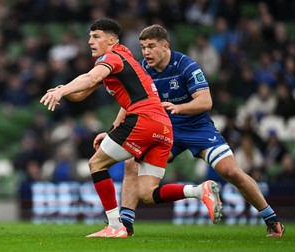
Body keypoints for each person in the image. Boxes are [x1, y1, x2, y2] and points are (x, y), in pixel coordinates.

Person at [40, 18, 222, 238]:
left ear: (111, 40)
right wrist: (65, 89)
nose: (90, 41)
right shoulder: (122, 57)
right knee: (147, 192)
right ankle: (199, 190)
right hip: (163, 127)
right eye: (89, 36)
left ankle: (116, 226)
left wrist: (60, 92)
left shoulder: (112, 57)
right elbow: (81, 93)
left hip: (143, 120)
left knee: (96, 163)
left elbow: (89, 78)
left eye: (96, 36)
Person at [113, 24, 284, 238]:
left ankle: (272, 220)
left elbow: (205, 101)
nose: (146, 52)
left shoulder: (186, 66)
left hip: (198, 128)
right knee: (132, 164)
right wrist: (113, 128)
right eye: (143, 47)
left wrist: (179, 108)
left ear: (165, 46)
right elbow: (129, 102)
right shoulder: (142, 70)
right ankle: (125, 225)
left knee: (232, 172)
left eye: (151, 46)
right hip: (166, 131)